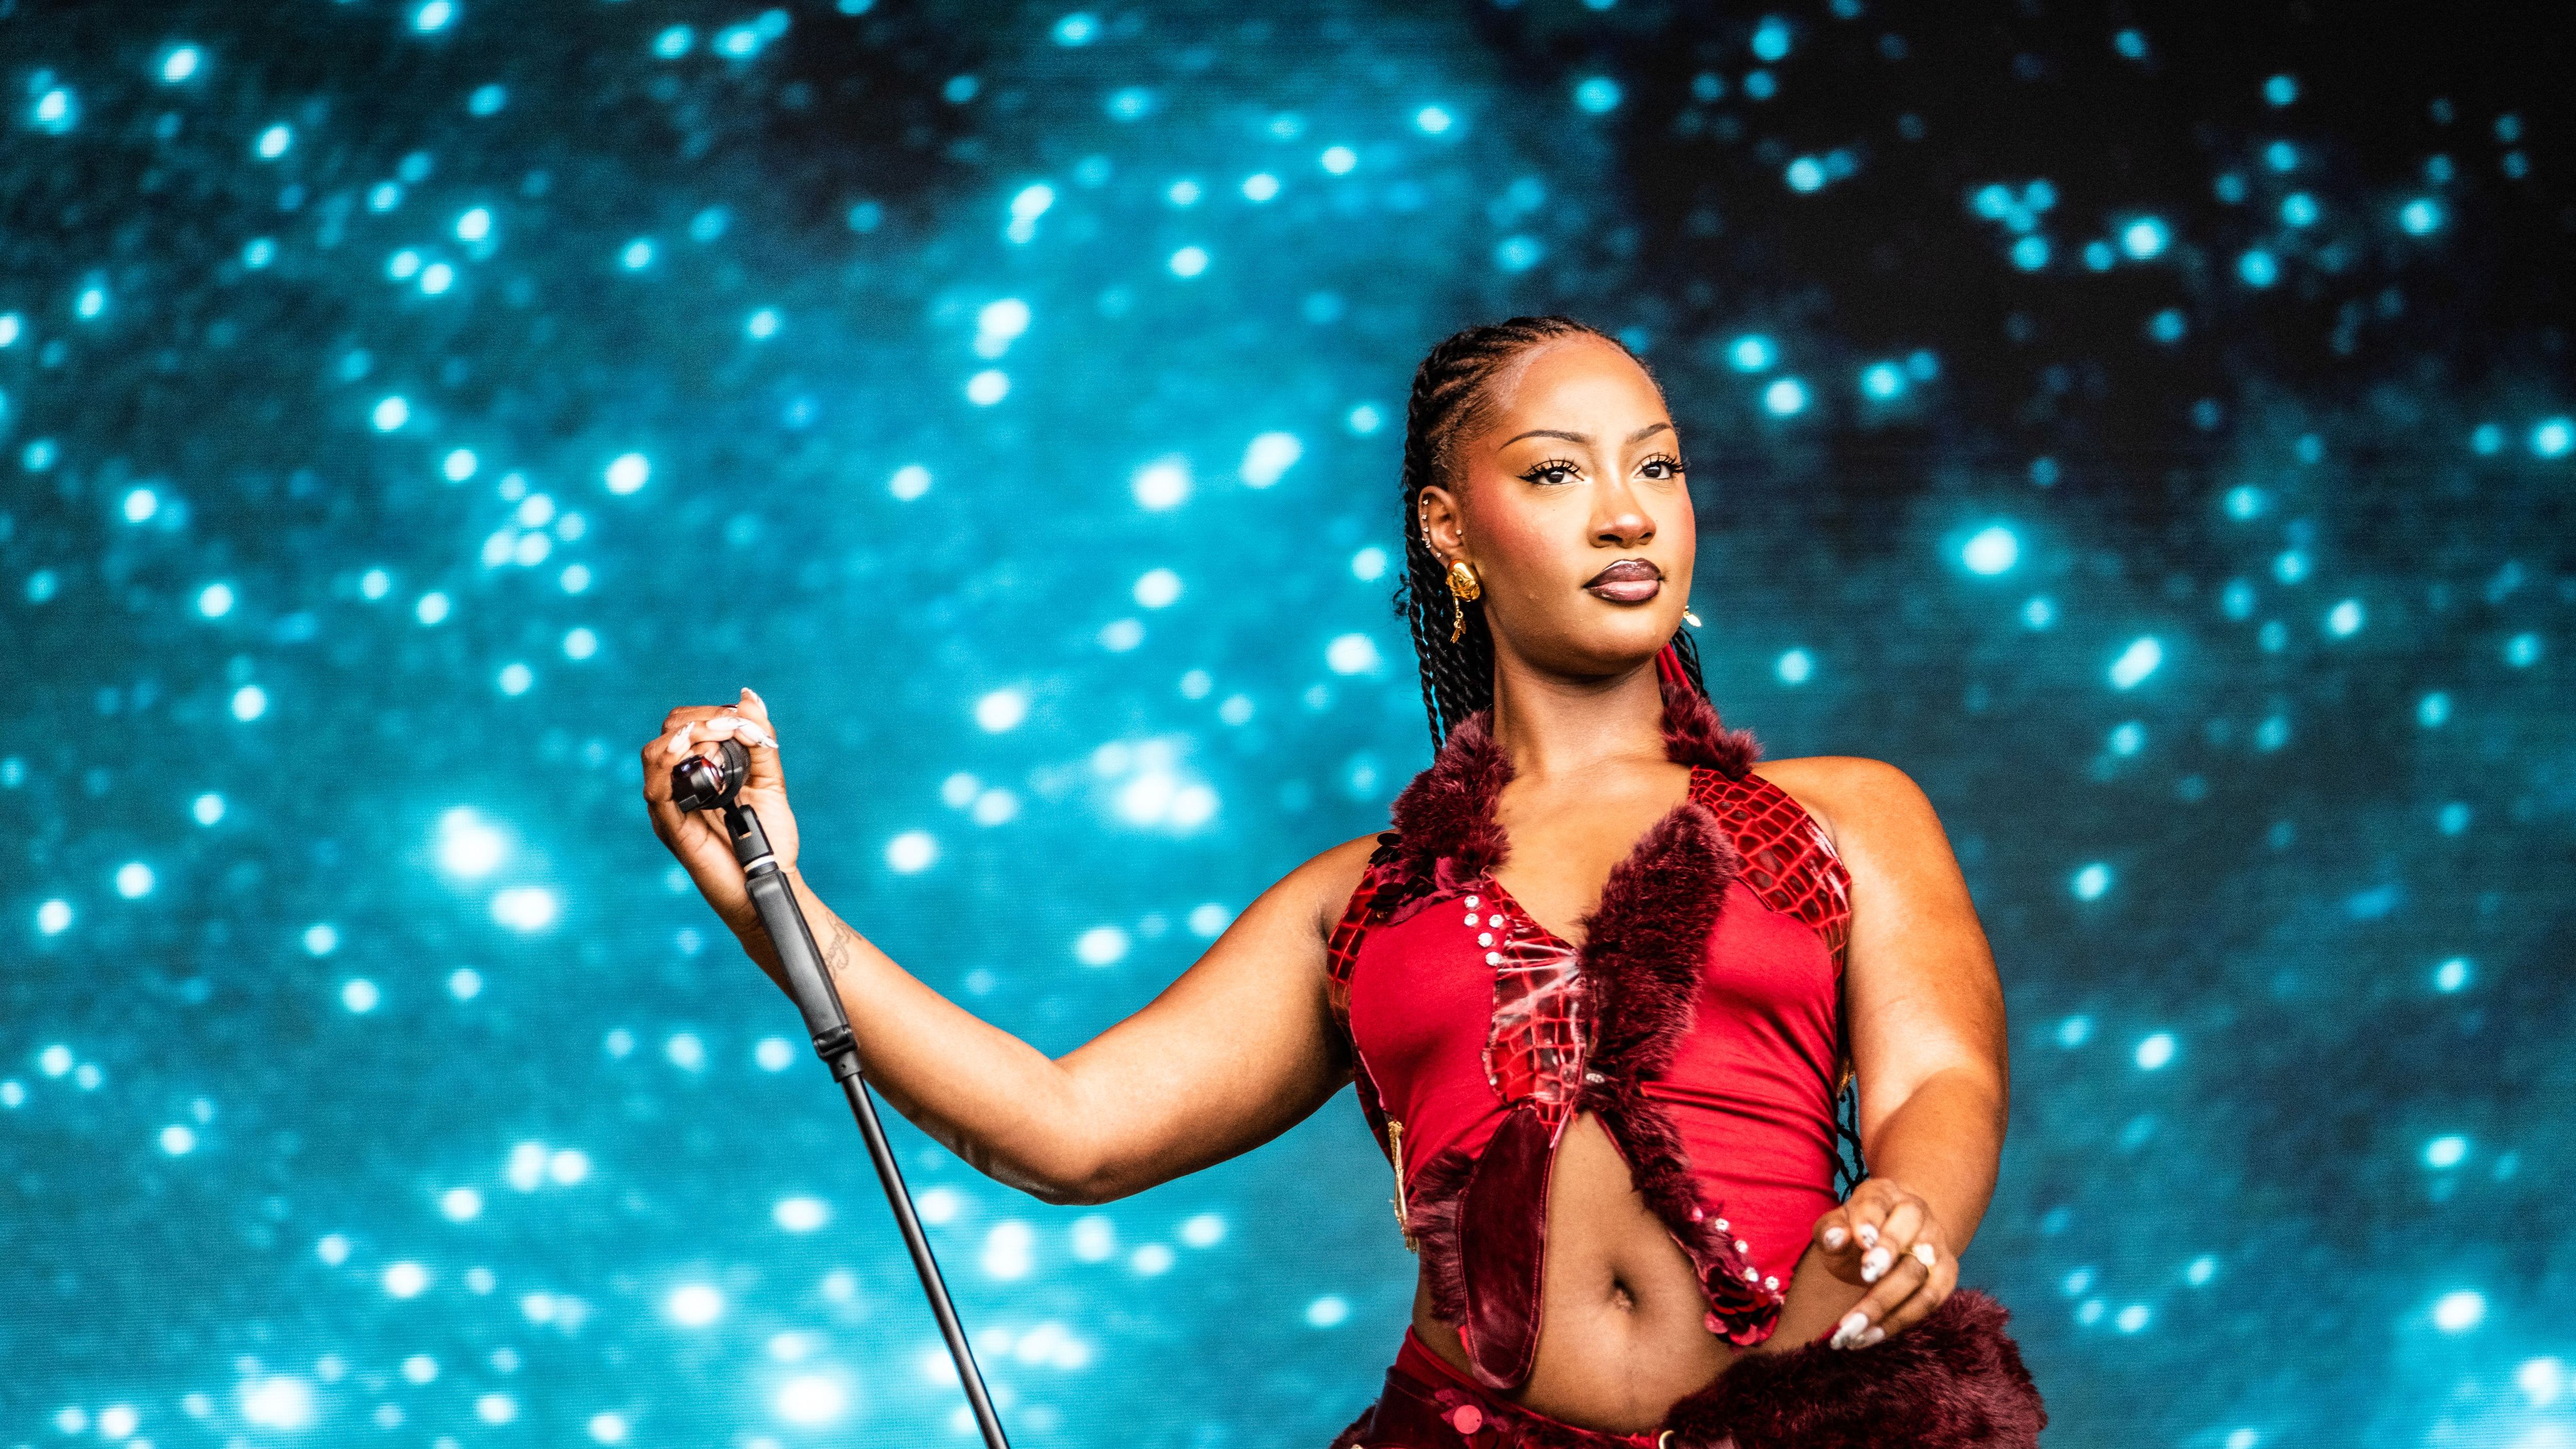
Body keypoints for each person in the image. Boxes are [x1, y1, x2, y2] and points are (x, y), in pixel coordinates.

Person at [642, 316, 2044, 1446]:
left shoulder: (1839, 813)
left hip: (1813, 1423)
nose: (1627, 516)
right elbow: (1064, 1131)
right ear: (1449, 533)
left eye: (1659, 468)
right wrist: (767, 895)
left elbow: (1941, 1081)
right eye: (1559, 473)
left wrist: (1911, 1192)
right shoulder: (1356, 902)